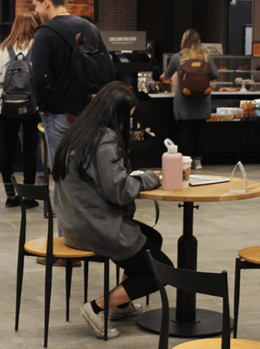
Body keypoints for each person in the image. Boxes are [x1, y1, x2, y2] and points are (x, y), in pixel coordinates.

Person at [52, 81, 172, 339]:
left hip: (76, 223)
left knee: (154, 239)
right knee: (161, 271)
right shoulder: (104, 139)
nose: (128, 122)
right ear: (115, 114)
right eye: (127, 116)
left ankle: (122, 303)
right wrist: (151, 178)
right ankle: (96, 307)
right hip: (97, 226)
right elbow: (118, 191)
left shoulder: (79, 133)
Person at [29, 0, 111, 165]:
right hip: (90, 113)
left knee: (63, 173)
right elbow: (108, 69)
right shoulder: (90, 28)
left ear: (47, 2)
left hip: (58, 114)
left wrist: (43, 106)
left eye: (36, 5)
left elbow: (38, 78)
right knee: (88, 171)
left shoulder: (44, 32)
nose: (35, 11)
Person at [0, 12, 43, 208]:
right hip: (32, 106)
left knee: (7, 149)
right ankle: (29, 196)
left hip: (8, 106)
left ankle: (10, 196)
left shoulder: (5, 47)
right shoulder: (38, 45)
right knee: (30, 149)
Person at [161, 28, 218, 170]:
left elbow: (167, 77)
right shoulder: (205, 56)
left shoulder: (178, 57)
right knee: (200, 131)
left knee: (185, 131)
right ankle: (198, 161)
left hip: (184, 100)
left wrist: (165, 80)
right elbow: (215, 74)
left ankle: (187, 160)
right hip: (202, 100)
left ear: (184, 41)